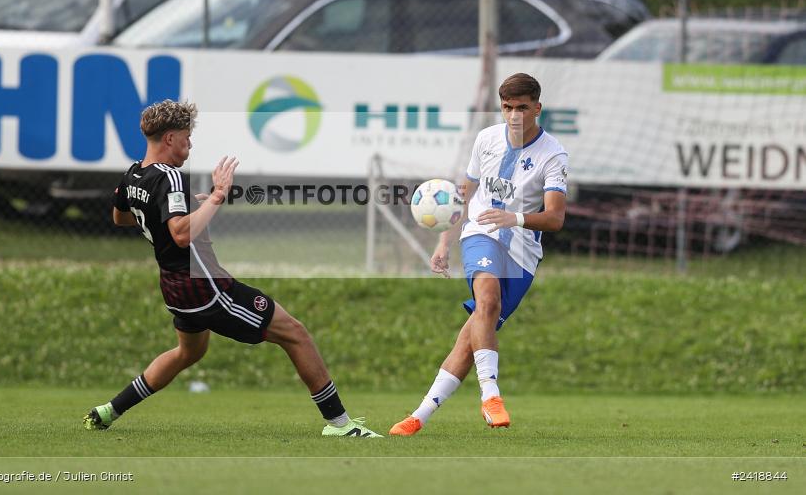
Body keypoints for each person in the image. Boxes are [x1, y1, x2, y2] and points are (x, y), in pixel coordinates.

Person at [83, 100, 382, 438]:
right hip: (204, 285)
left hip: (174, 287)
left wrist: (171, 210)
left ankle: (109, 410)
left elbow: (120, 217)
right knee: (295, 334)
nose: (189, 145)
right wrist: (217, 196)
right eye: (186, 138)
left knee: (189, 352)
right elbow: (181, 235)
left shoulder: (134, 173)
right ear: (169, 138)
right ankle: (340, 424)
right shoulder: (170, 178)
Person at [389, 73, 568, 436]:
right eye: (507, 107)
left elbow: (555, 217)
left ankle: (419, 416)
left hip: (522, 250)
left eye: (521, 108)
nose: (514, 115)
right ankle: (491, 395)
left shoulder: (553, 154)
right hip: (481, 232)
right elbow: (464, 195)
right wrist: (444, 241)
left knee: (472, 338)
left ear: (537, 108)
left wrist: (514, 217)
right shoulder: (486, 139)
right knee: (486, 300)